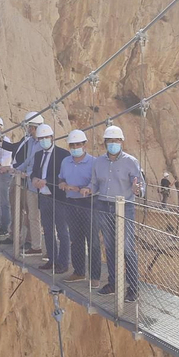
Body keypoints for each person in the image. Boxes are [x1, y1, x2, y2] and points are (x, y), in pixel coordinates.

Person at [90, 125, 145, 300]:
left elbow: (140, 187)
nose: (113, 143)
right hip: (104, 206)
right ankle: (113, 283)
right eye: (110, 141)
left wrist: (137, 190)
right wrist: (87, 190)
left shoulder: (131, 162)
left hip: (124, 207)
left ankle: (133, 288)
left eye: (116, 140)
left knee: (127, 248)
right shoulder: (98, 162)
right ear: (105, 142)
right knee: (110, 247)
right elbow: (94, 184)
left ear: (122, 142)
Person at [27, 123, 68, 270]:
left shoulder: (63, 154)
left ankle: (63, 263)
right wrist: (34, 179)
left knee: (62, 231)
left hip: (58, 198)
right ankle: (52, 260)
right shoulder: (38, 155)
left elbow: (63, 176)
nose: (44, 140)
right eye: (41, 138)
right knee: (48, 230)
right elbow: (35, 171)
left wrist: (46, 181)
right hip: (43, 197)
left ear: (52, 137)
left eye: (46, 137)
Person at [59, 129, 96, 282]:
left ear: (84, 145)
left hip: (88, 204)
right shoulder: (65, 161)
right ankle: (79, 272)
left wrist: (87, 189)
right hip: (71, 202)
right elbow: (61, 178)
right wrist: (63, 185)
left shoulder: (93, 162)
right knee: (76, 239)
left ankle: (95, 276)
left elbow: (96, 183)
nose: (75, 147)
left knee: (92, 240)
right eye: (72, 145)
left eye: (78, 144)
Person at [9, 113, 46, 255]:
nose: (29, 130)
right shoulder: (31, 142)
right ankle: (36, 246)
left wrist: (28, 174)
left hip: (39, 184)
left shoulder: (43, 144)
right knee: (32, 216)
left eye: (30, 127)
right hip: (30, 182)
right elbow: (29, 161)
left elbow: (42, 165)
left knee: (38, 217)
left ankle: (38, 246)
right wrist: (15, 170)